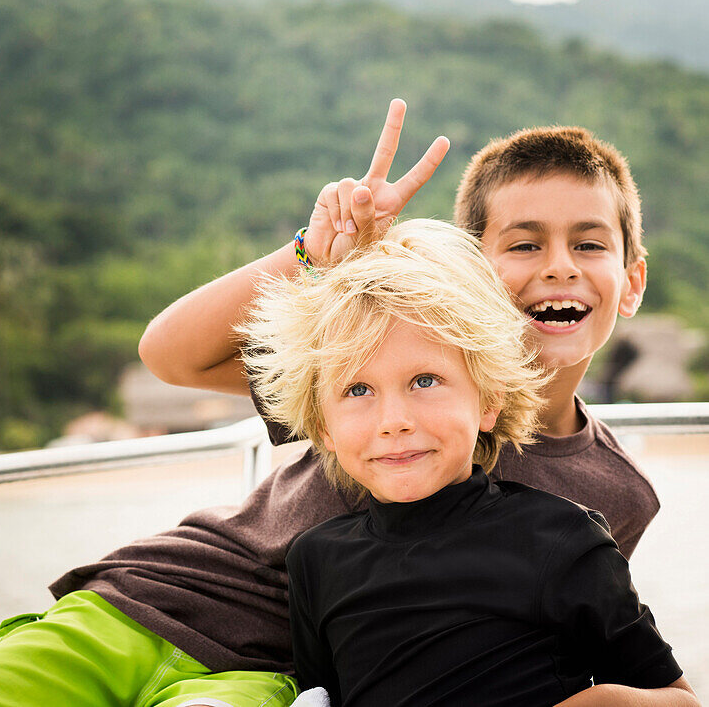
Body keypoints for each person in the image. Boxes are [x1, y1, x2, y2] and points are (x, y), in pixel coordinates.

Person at [0, 102, 659, 707]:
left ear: (630, 282)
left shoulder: (612, 495)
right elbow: (170, 354)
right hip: (154, 601)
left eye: (590, 245)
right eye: (524, 245)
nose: (559, 266)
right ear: (466, 269)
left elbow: (563, 642)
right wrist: (315, 254)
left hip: (277, 681)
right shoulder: (379, 364)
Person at [238, 218, 695, 705]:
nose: (394, 421)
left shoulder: (563, 540)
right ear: (322, 427)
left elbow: (678, 699)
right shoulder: (315, 560)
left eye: (425, 381)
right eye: (357, 389)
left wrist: (605, 700)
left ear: (488, 400)